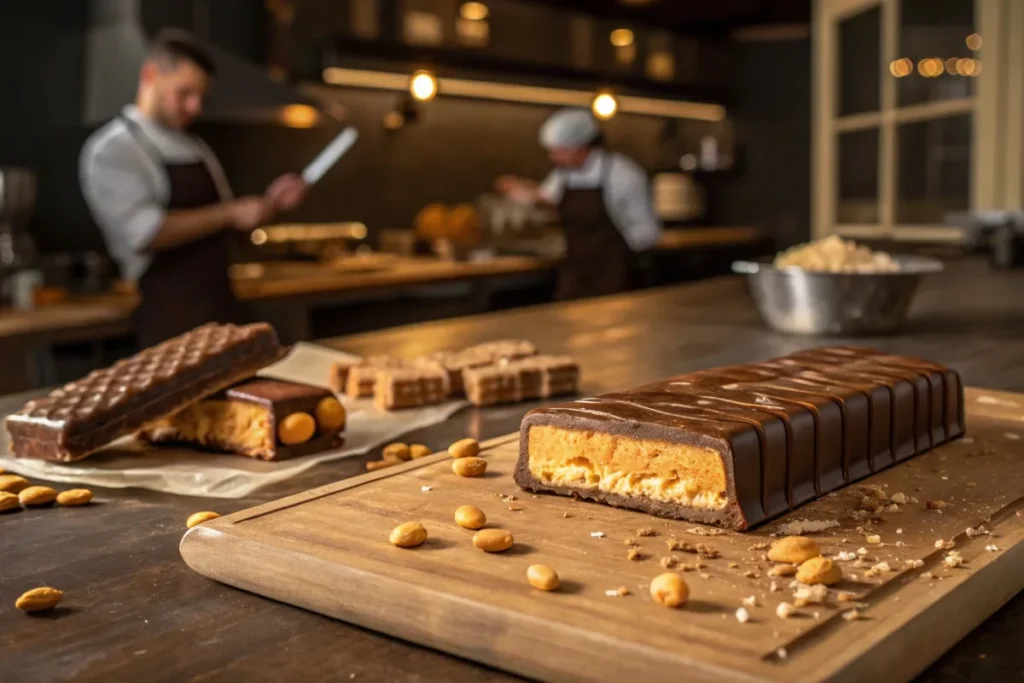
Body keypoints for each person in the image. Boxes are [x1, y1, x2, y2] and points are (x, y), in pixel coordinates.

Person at [80, 29, 308, 347]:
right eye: (185, 93)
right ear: (150, 75)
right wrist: (231, 213)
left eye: (201, 96)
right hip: (168, 323)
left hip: (222, 312)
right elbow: (145, 233)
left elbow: (226, 225)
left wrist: (270, 205)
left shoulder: (196, 146)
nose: (195, 107)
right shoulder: (114, 148)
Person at [496, 108, 661, 300]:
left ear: (581, 147)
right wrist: (523, 192)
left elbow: (646, 233)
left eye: (559, 151)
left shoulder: (622, 175)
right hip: (575, 275)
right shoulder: (564, 174)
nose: (554, 157)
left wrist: (626, 264)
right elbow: (548, 199)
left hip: (615, 277)